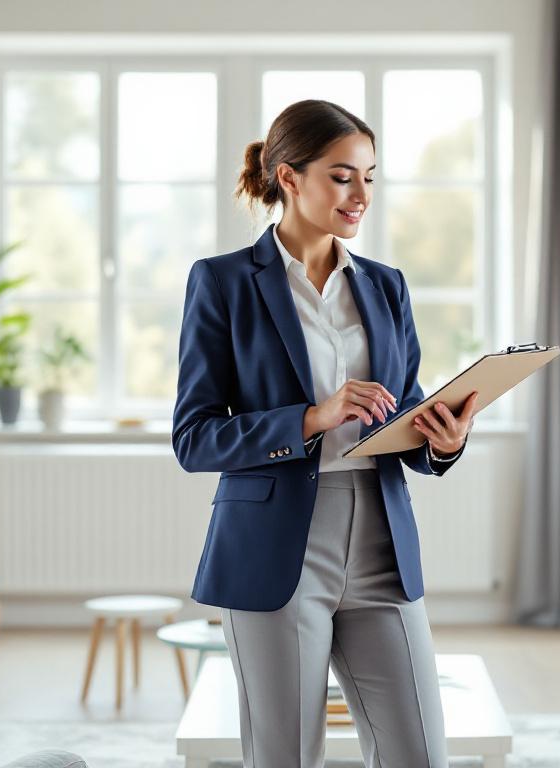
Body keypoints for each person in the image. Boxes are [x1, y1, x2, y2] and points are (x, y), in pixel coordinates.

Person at [171, 98, 479, 768]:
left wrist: (443, 440)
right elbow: (194, 438)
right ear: (289, 177)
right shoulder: (223, 283)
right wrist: (312, 418)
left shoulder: (386, 286)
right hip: (275, 549)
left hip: (380, 544)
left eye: (370, 176)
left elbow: (408, 406)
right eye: (343, 176)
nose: (361, 194)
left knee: (420, 755)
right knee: (284, 758)